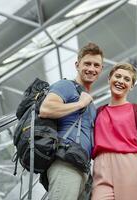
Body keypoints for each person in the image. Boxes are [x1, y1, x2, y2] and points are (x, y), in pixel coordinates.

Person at [39, 42, 104, 200]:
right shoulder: (66, 86)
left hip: (81, 167)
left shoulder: (91, 105)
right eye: (87, 63)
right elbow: (46, 109)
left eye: (96, 65)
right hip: (66, 162)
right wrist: (80, 104)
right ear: (77, 65)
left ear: (101, 70)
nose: (91, 68)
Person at [91, 63, 137, 200]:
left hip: (130, 165)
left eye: (127, 79)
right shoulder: (98, 112)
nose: (121, 81)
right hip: (101, 166)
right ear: (109, 79)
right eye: (118, 76)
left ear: (132, 86)